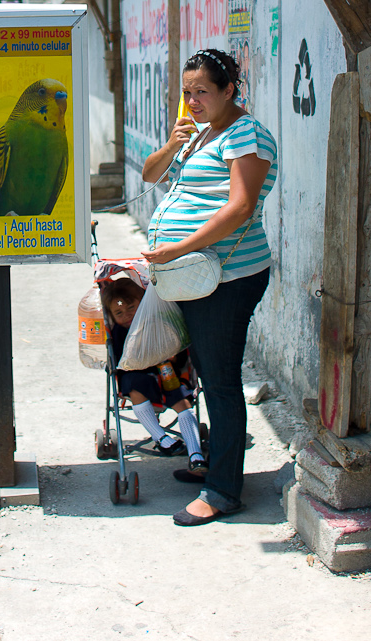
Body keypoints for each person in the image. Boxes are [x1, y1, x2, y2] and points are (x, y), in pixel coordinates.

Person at [140, 48, 278, 526]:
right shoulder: (200, 135)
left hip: (230, 275)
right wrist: (174, 143)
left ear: (229, 91)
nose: (193, 101)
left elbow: (240, 208)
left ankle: (223, 491)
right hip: (195, 276)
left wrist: (176, 250)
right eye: (187, 93)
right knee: (203, 370)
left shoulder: (247, 135)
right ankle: (216, 465)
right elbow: (149, 176)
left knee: (220, 381)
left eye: (203, 92)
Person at [99, 276, 206, 472]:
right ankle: (162, 438)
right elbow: (118, 362)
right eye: (119, 313)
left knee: (182, 401)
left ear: (143, 302)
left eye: (131, 308)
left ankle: (195, 455)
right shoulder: (119, 333)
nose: (127, 315)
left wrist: (173, 357)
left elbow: (178, 349)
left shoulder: (159, 322)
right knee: (135, 386)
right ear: (112, 316)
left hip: (166, 374)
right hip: (136, 377)